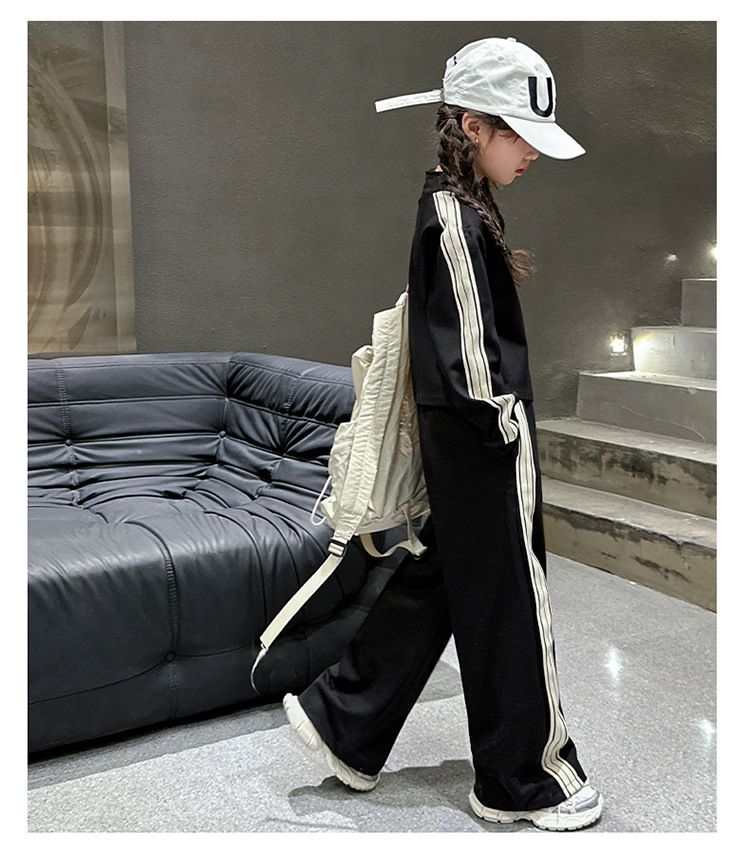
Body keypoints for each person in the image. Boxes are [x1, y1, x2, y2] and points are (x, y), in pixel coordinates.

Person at [281, 37, 604, 832]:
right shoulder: (456, 217)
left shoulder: (455, 205)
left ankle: (344, 720)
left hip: (464, 440)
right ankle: (523, 780)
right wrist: (506, 425)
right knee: (513, 600)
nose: (532, 153)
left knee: (452, 580)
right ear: (472, 126)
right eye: (520, 135)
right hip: (483, 441)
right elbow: (470, 357)